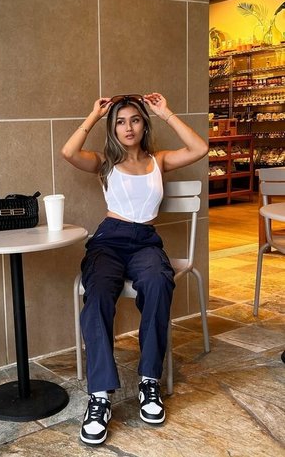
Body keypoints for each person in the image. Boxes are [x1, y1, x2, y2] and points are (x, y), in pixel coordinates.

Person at [61, 93, 208, 445]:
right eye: (121, 122)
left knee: (159, 282)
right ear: (113, 128)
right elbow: (68, 152)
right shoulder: (104, 162)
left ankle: (149, 381)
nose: (128, 127)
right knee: (98, 293)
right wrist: (94, 116)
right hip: (109, 240)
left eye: (135, 120)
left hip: (145, 241)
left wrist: (166, 112)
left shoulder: (160, 160)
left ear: (144, 125)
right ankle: (100, 396)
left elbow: (200, 148)